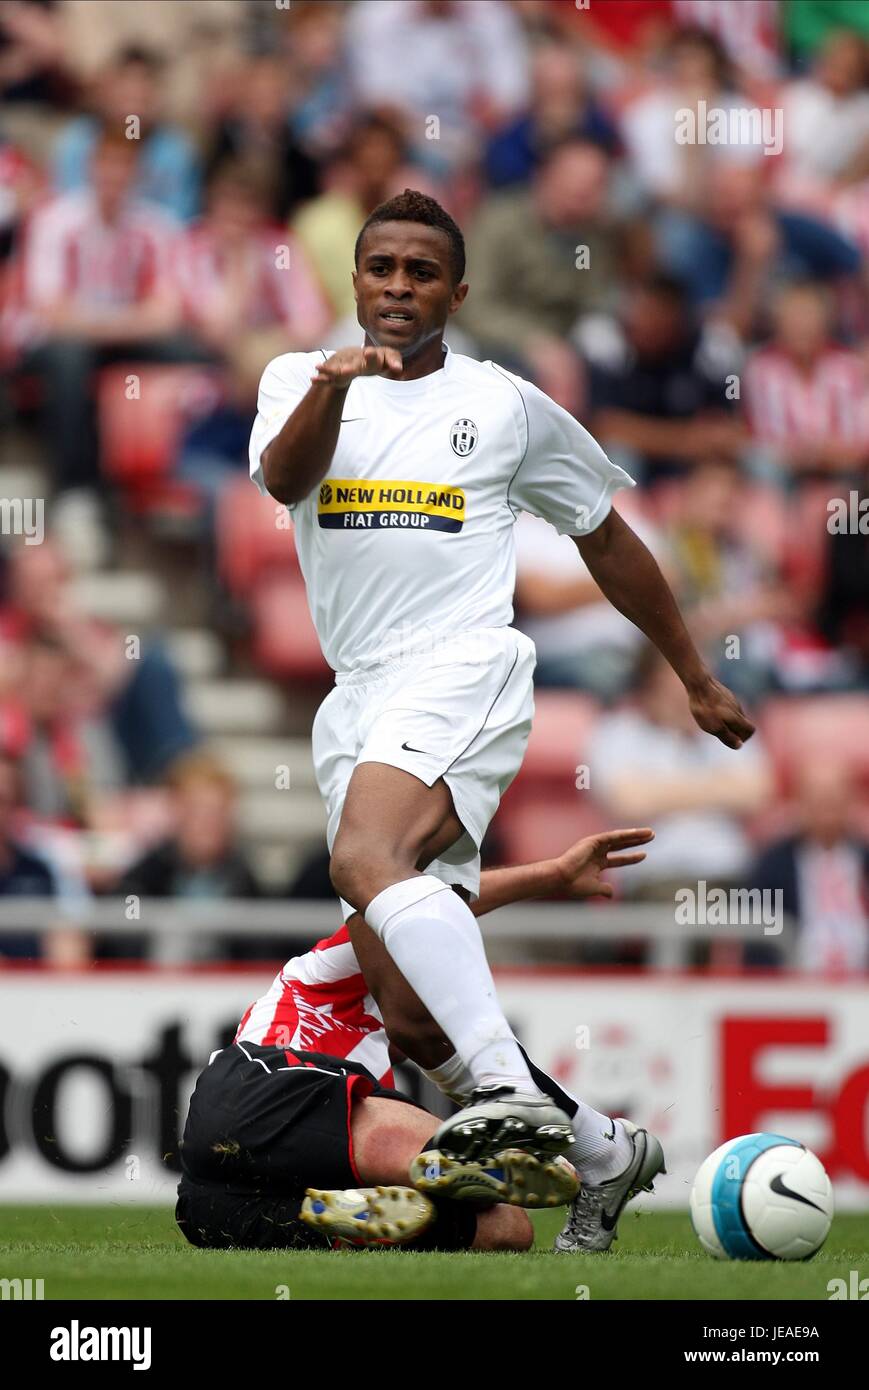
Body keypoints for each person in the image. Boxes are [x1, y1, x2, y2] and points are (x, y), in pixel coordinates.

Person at [248, 188, 753, 1206]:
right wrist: (334, 388)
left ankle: (501, 1086)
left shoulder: (503, 404)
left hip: (462, 666)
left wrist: (690, 672)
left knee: (361, 857)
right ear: (355, 279)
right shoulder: (297, 381)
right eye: (381, 268)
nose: (397, 287)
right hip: (359, 697)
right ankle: (604, 1150)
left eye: (420, 272)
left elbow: (603, 536)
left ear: (456, 289)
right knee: (411, 1012)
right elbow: (279, 479)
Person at [178, 827, 660, 1252]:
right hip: (255, 1086)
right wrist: (551, 876)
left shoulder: (386, 1063)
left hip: (240, 1181)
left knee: (508, 1232)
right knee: (405, 1148)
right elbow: (422, 912)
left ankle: (341, 1218)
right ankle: (464, 1168)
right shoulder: (320, 972)